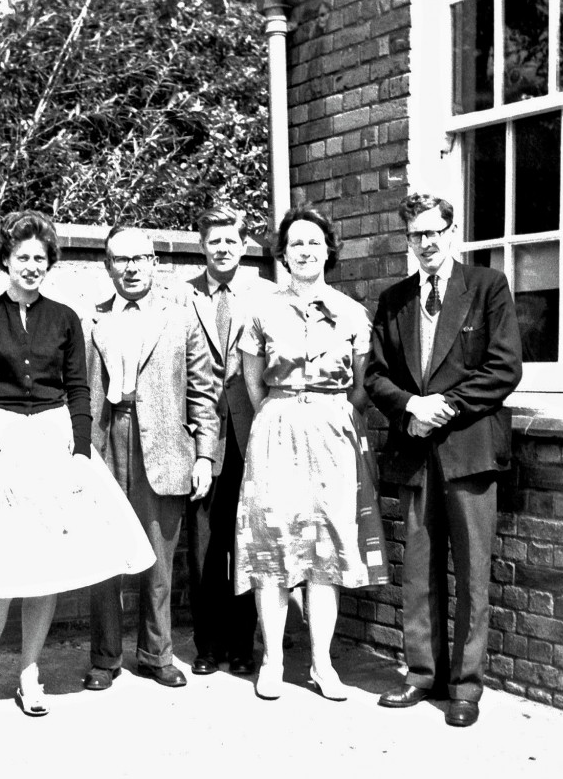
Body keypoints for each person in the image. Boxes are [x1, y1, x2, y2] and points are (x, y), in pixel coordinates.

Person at [0, 210, 155, 727]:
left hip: (53, 442)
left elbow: (79, 389)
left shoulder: (63, 318)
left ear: (49, 262)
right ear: (5, 259)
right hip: (1, 443)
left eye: (40, 258)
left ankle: (30, 672)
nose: (32, 266)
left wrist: (80, 452)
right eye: (22, 257)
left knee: (46, 564)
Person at [365, 192, 522, 727]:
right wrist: (410, 406)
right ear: (407, 239)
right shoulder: (394, 300)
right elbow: (375, 375)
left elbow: (504, 368)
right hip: (414, 449)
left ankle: (465, 686)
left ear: (451, 232)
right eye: (416, 234)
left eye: (434, 232)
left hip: (469, 452)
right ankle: (421, 674)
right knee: (418, 571)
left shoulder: (487, 286)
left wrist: (444, 406)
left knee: (473, 572)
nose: (426, 242)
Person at [234, 206, 389, 702]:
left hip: (332, 432)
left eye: (314, 242)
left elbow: (362, 386)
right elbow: (254, 384)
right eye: (296, 243)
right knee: (272, 541)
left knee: (327, 545)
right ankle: (273, 661)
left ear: (328, 251)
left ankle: (322, 663)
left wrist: (328, 415)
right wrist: (284, 413)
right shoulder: (261, 311)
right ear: (283, 253)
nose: (305, 251)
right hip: (277, 428)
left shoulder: (352, 313)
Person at [84, 225, 219, 690]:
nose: (131, 268)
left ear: (155, 263)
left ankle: (156, 655)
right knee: (105, 557)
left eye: (140, 258)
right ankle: (105, 658)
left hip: (163, 447)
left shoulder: (181, 319)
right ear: (108, 266)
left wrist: (205, 455)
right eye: (121, 259)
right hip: (104, 442)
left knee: (159, 559)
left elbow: (203, 393)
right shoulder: (90, 319)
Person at [184, 207, 276, 677]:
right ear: (202, 246)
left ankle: (243, 644)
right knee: (203, 545)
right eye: (214, 241)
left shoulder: (267, 293)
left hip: (248, 431)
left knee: (246, 541)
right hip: (197, 435)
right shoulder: (182, 296)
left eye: (230, 240)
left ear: (244, 245)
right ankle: (207, 644)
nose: (222, 248)